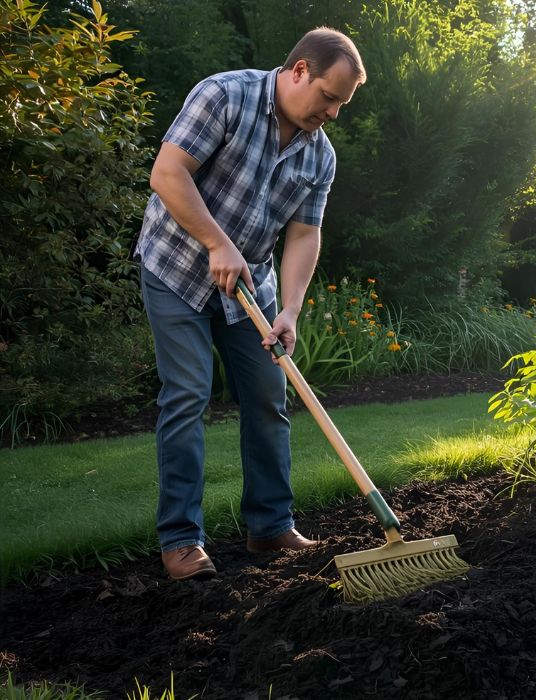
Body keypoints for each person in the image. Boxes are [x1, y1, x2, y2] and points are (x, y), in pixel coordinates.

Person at [134, 28, 366, 581]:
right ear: (300, 70)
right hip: (176, 268)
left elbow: (304, 235)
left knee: (268, 396)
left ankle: (270, 527)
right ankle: (182, 541)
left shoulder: (320, 155)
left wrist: (289, 310)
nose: (333, 113)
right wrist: (216, 242)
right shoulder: (224, 96)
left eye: (342, 104)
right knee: (188, 393)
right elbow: (167, 173)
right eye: (329, 97)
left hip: (250, 284)